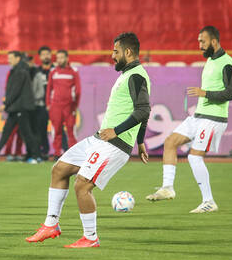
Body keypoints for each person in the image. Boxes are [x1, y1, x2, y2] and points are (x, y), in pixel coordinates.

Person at [26, 33, 150, 248]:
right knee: (59, 169)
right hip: (100, 139)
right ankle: (50, 225)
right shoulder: (128, 74)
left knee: (82, 185)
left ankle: (91, 238)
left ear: (128, 52)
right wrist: (140, 142)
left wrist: (118, 131)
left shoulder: (136, 76)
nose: (112, 56)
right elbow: (142, 112)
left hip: (115, 145)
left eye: (116, 51)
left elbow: (143, 110)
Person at [146, 26, 232, 213]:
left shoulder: (227, 63)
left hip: (214, 118)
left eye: (203, 41)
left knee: (194, 157)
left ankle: (209, 201)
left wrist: (205, 93)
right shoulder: (210, 61)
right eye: (199, 41)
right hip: (199, 116)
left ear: (214, 41)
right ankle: (167, 188)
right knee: (170, 142)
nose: (200, 45)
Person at [0, 51, 41, 163]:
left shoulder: (20, 71)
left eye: (11, 58)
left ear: (18, 58)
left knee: (26, 133)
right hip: (16, 108)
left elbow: (15, 90)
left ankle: (36, 156)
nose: (8, 60)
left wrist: (6, 103)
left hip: (20, 108)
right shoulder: (19, 70)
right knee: (8, 132)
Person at [46, 49, 81, 158]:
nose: (59, 60)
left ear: (67, 58)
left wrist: (74, 106)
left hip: (69, 106)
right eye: (58, 58)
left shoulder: (73, 71)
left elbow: (78, 90)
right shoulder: (53, 72)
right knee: (56, 130)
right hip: (55, 106)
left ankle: (74, 154)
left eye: (61, 57)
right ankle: (57, 153)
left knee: (71, 131)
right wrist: (48, 104)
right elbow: (49, 89)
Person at [31, 46, 52, 157]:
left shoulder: (55, 70)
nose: (46, 56)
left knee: (59, 130)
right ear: (39, 57)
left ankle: (63, 152)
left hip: (54, 105)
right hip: (41, 105)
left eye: (47, 54)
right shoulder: (36, 71)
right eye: (43, 54)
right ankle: (43, 151)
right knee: (40, 129)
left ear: (51, 55)